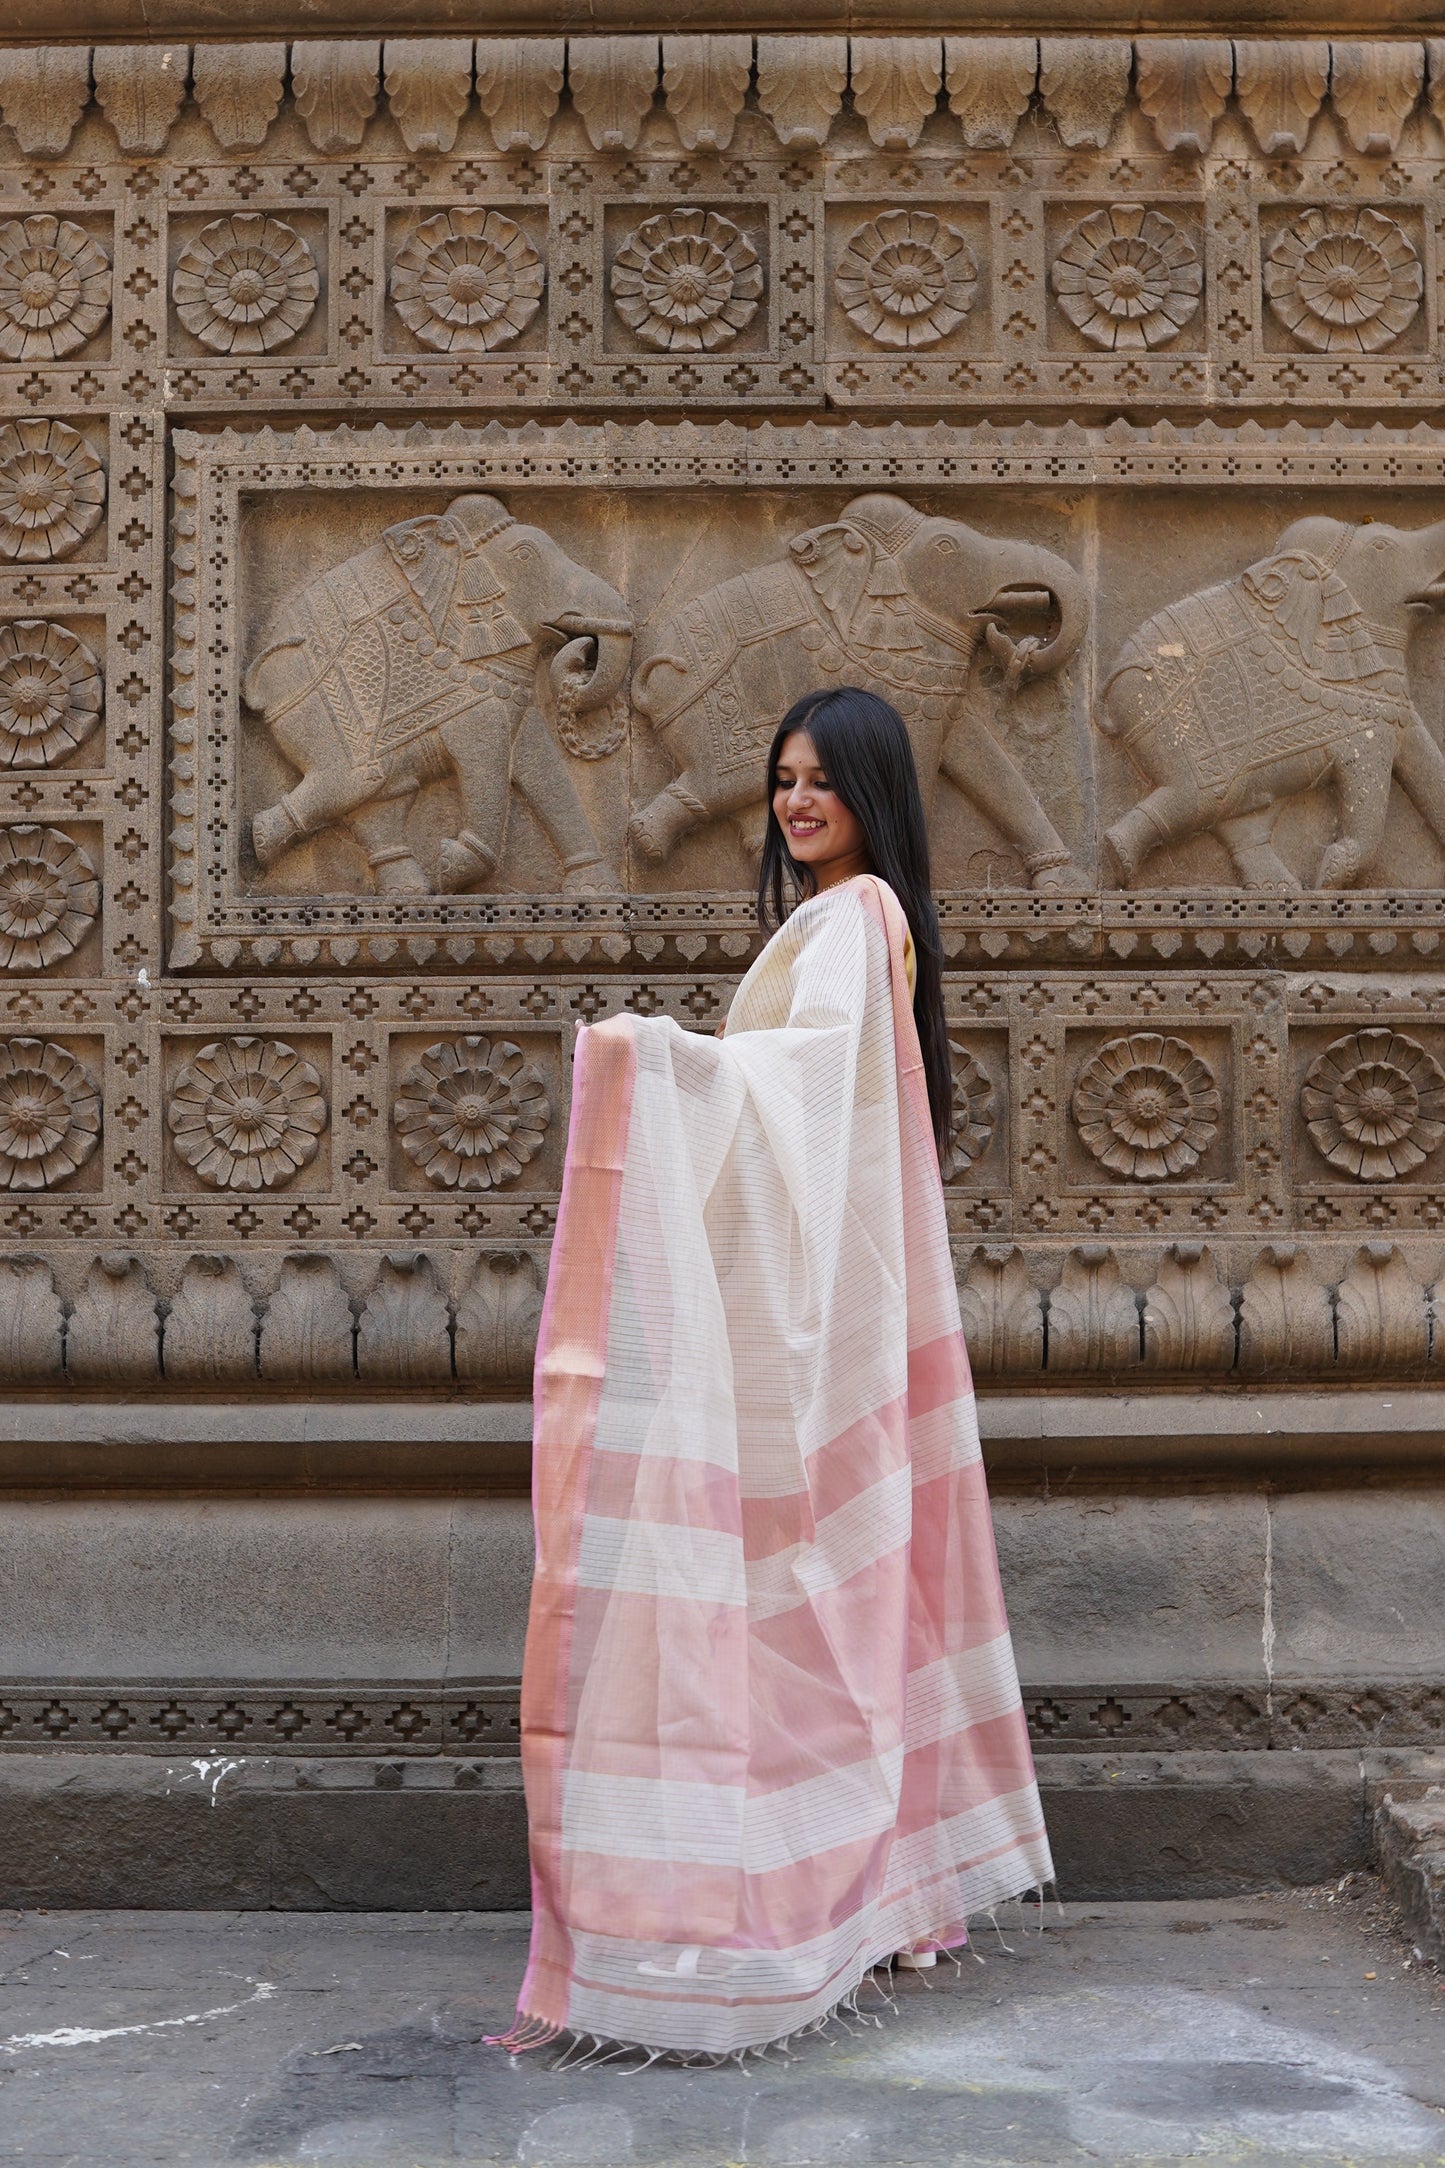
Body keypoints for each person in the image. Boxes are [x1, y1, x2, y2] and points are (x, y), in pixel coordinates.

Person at [494, 686, 1052, 2061]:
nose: (796, 804)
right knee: (860, 1591)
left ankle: (829, 1896)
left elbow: (801, 1084)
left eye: (822, 781)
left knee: (804, 1588)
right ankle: (898, 1896)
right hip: (854, 1281)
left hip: (831, 1303)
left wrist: (654, 1061)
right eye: (781, 779)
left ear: (873, 793)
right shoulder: (865, 922)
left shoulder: (853, 921)